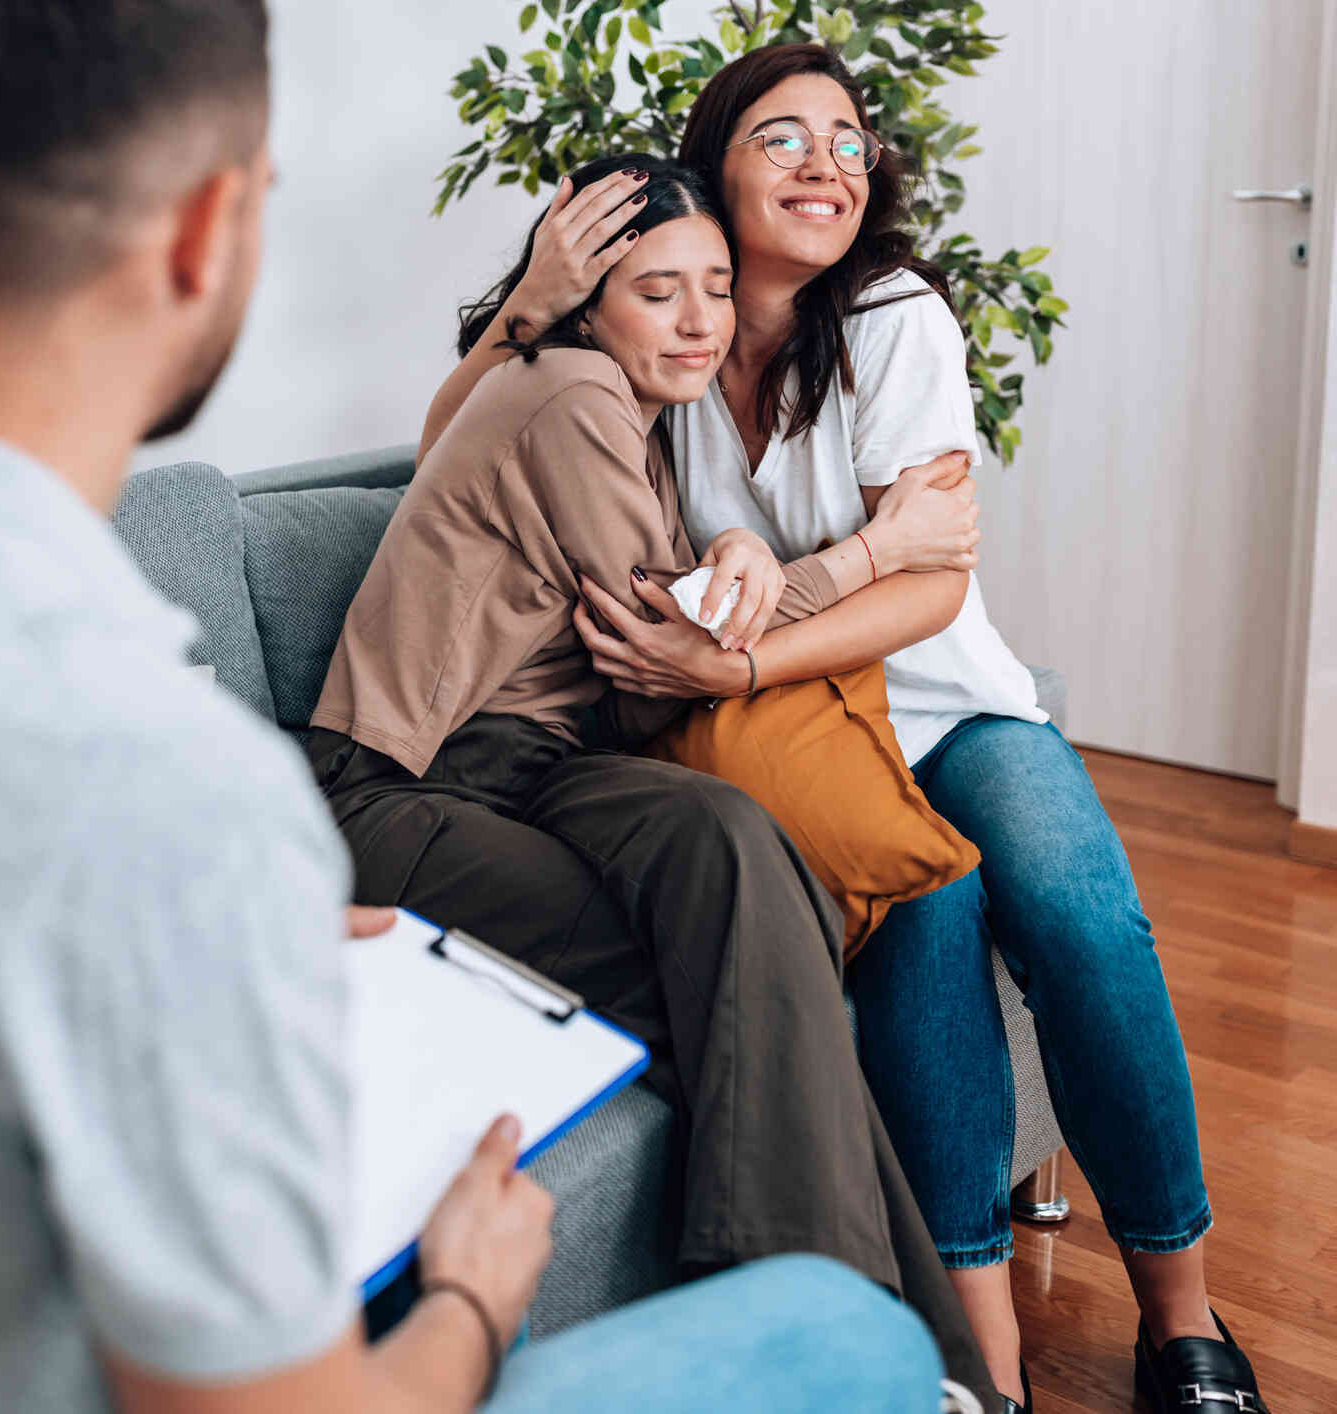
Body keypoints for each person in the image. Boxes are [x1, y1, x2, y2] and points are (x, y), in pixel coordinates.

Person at [0, 4, 948, 1412]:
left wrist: (206, 949)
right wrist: (471, 1289)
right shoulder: (179, 790)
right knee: (852, 1348)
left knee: (726, 878)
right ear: (213, 227)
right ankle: (915, 1351)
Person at [424, 40, 1267, 1414]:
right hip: (799, 743)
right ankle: (985, 1362)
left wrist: (738, 662)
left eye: (847, 139)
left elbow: (936, 580)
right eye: (784, 137)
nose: (829, 161)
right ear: (716, 163)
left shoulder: (894, 318)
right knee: (924, 924)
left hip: (942, 707)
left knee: (1079, 906)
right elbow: (447, 441)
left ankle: (1183, 1321)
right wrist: (532, 297)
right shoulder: (662, 336)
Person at [313, 152, 994, 1403]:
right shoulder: (569, 389)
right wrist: (872, 551)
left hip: (544, 765)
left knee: (733, 843)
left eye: (715, 289)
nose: (698, 321)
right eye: (655, 292)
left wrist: (733, 545)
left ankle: (902, 1362)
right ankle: (857, 1350)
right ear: (588, 305)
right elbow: (666, 657)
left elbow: (675, 625)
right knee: (736, 985)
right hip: (402, 791)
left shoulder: (643, 419)